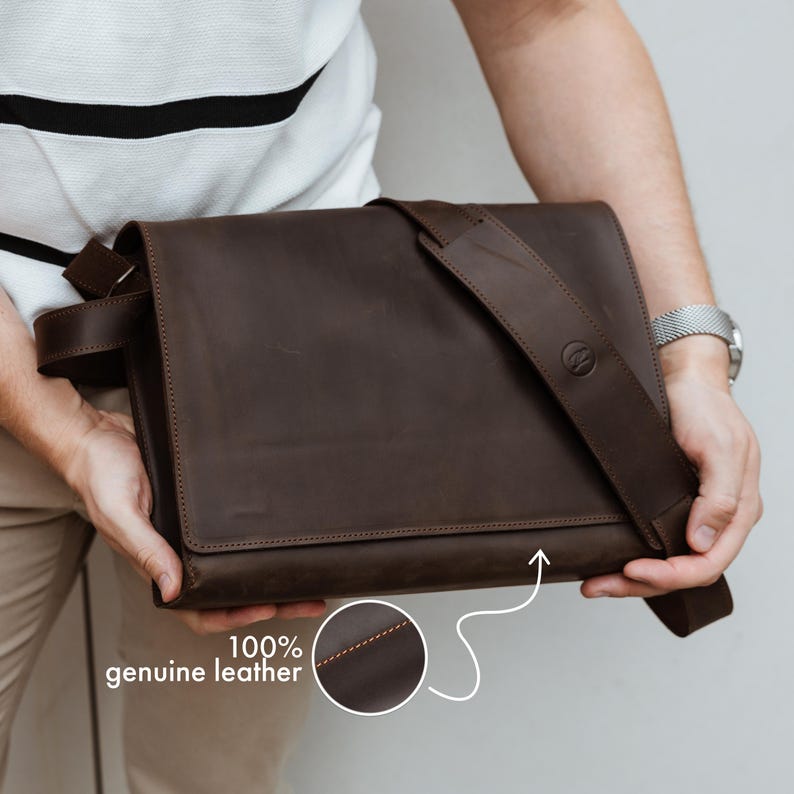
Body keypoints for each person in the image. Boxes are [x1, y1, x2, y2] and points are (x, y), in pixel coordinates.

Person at [0, 0, 762, 791]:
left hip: (293, 389)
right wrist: (63, 435)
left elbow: (544, 21)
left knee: (213, 779)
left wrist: (687, 353)